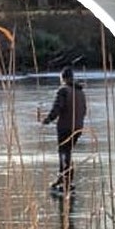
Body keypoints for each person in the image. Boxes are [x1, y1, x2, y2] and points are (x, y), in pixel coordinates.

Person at [42, 66, 87, 195]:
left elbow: (57, 108)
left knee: (64, 153)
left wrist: (48, 119)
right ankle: (64, 179)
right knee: (67, 152)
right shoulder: (80, 92)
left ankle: (66, 182)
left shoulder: (63, 90)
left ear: (63, 78)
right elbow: (84, 111)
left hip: (65, 128)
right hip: (78, 128)